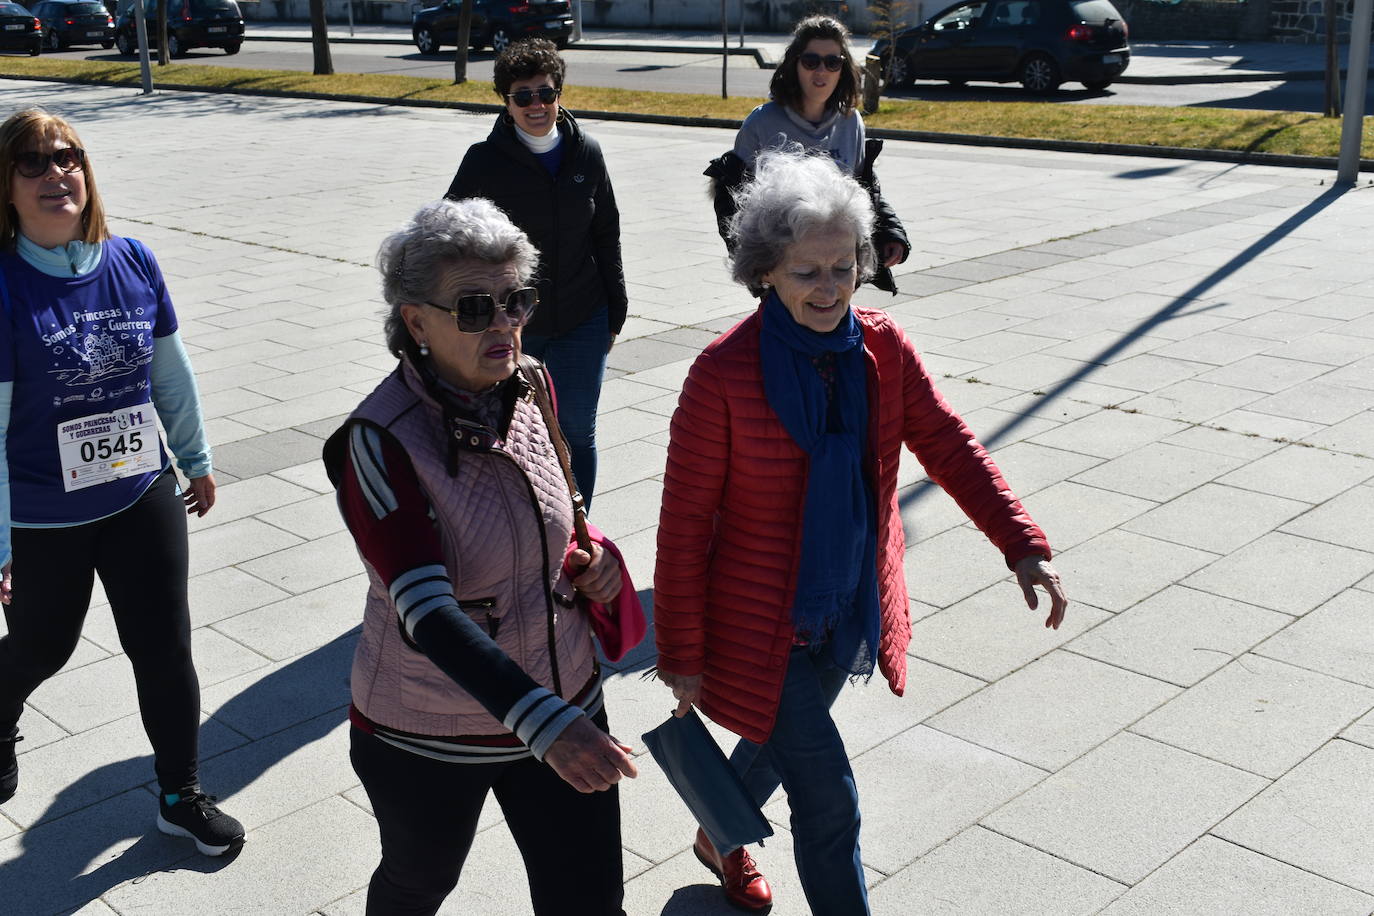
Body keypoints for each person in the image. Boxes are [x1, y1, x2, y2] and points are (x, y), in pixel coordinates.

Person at [654, 148, 1068, 915]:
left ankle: (719, 834)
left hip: (845, 609)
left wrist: (1022, 543)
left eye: (843, 267)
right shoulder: (721, 374)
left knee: (782, 746)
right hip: (755, 623)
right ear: (765, 272)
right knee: (830, 800)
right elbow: (682, 527)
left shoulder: (883, 348)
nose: (829, 287)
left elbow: (947, 442)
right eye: (807, 271)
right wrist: (679, 654)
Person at [325, 198, 638, 916]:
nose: (504, 323)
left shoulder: (534, 383)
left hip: (564, 690)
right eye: (474, 306)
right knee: (416, 884)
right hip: (428, 731)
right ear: (416, 322)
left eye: (516, 300)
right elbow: (425, 613)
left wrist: (601, 566)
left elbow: (560, 524)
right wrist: (544, 721)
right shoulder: (377, 441)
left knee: (590, 901)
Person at [0, 108, 243, 856]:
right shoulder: (5, 287)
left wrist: (194, 458)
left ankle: (180, 793)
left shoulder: (132, 259)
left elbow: (169, 371)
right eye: (33, 163)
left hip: (141, 492)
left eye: (67, 157)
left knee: (164, 648)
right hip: (45, 515)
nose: (55, 174)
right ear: (5, 186)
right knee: (45, 647)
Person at [445, 38, 626, 510]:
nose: (536, 105)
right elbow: (448, 235)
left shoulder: (586, 153)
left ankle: (578, 533)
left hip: (584, 315)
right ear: (506, 103)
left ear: (559, 94)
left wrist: (616, 308)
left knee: (576, 432)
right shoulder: (483, 161)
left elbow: (606, 231)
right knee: (511, 432)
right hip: (511, 323)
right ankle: (527, 528)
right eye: (522, 96)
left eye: (545, 93)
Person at [707, 14, 910, 295]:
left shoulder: (851, 122)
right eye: (811, 61)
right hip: (786, 273)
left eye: (832, 62)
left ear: (843, 68)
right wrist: (753, 267)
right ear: (795, 64)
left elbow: (863, 189)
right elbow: (730, 199)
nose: (821, 71)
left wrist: (891, 233)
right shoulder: (762, 123)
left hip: (837, 270)